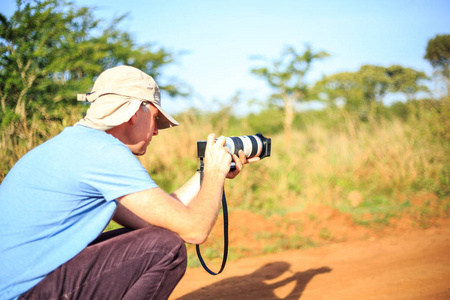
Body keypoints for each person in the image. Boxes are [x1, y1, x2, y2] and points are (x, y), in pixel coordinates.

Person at [0, 65, 257, 299]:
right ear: (135, 112)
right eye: (156, 118)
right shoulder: (104, 152)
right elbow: (195, 231)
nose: (156, 130)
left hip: (20, 287)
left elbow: (157, 219)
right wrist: (214, 176)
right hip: (25, 293)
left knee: (158, 236)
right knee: (166, 247)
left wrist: (209, 173)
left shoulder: (75, 145)